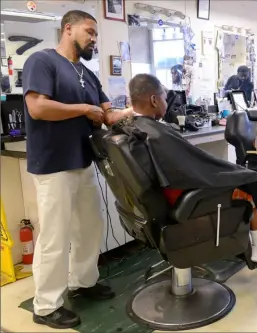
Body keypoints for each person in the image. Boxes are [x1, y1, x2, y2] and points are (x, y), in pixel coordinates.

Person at [22, 10, 131, 329]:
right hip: (53, 163)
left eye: (96, 34)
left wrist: (137, 109)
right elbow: (37, 108)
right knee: (55, 235)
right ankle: (45, 306)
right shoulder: (42, 61)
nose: (94, 39)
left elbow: (107, 115)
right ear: (67, 29)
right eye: (90, 32)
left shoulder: (88, 74)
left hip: (83, 160)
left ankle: (82, 282)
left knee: (90, 225)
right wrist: (84, 109)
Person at [116, 73, 257, 263]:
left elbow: (187, 163)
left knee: (237, 174)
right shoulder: (156, 134)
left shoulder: (136, 128)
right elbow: (193, 165)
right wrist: (231, 172)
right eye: (165, 98)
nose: (167, 102)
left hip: (162, 193)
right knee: (250, 182)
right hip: (184, 196)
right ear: (154, 100)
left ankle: (251, 242)